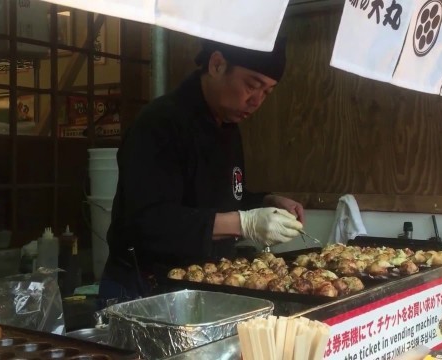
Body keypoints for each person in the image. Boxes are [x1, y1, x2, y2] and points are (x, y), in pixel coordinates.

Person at [98, 37, 304, 302]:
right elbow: (149, 222)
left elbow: (214, 199)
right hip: (144, 289)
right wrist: (246, 223)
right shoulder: (160, 123)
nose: (257, 101)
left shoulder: (228, 126)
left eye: (267, 92)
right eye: (252, 86)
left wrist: (265, 202)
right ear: (217, 64)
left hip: (207, 283)